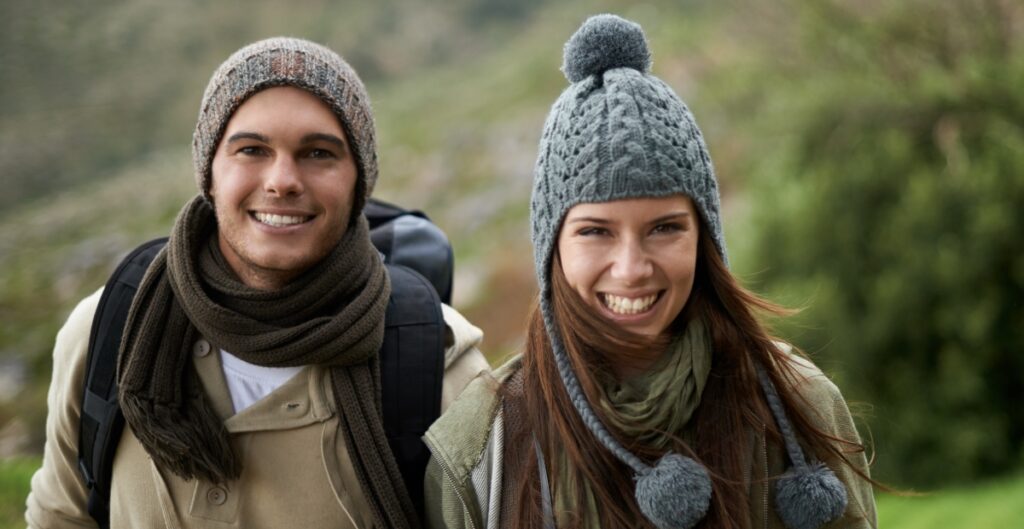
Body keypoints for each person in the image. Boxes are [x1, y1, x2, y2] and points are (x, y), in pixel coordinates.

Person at [423, 14, 877, 529]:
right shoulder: (481, 449)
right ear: (552, 247)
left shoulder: (800, 406)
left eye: (664, 228)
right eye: (596, 231)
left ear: (704, 237)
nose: (632, 268)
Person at [26, 37, 489, 529]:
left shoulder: (444, 369)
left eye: (318, 152)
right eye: (251, 149)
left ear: (359, 182)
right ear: (209, 172)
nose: (282, 180)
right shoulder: (108, 331)